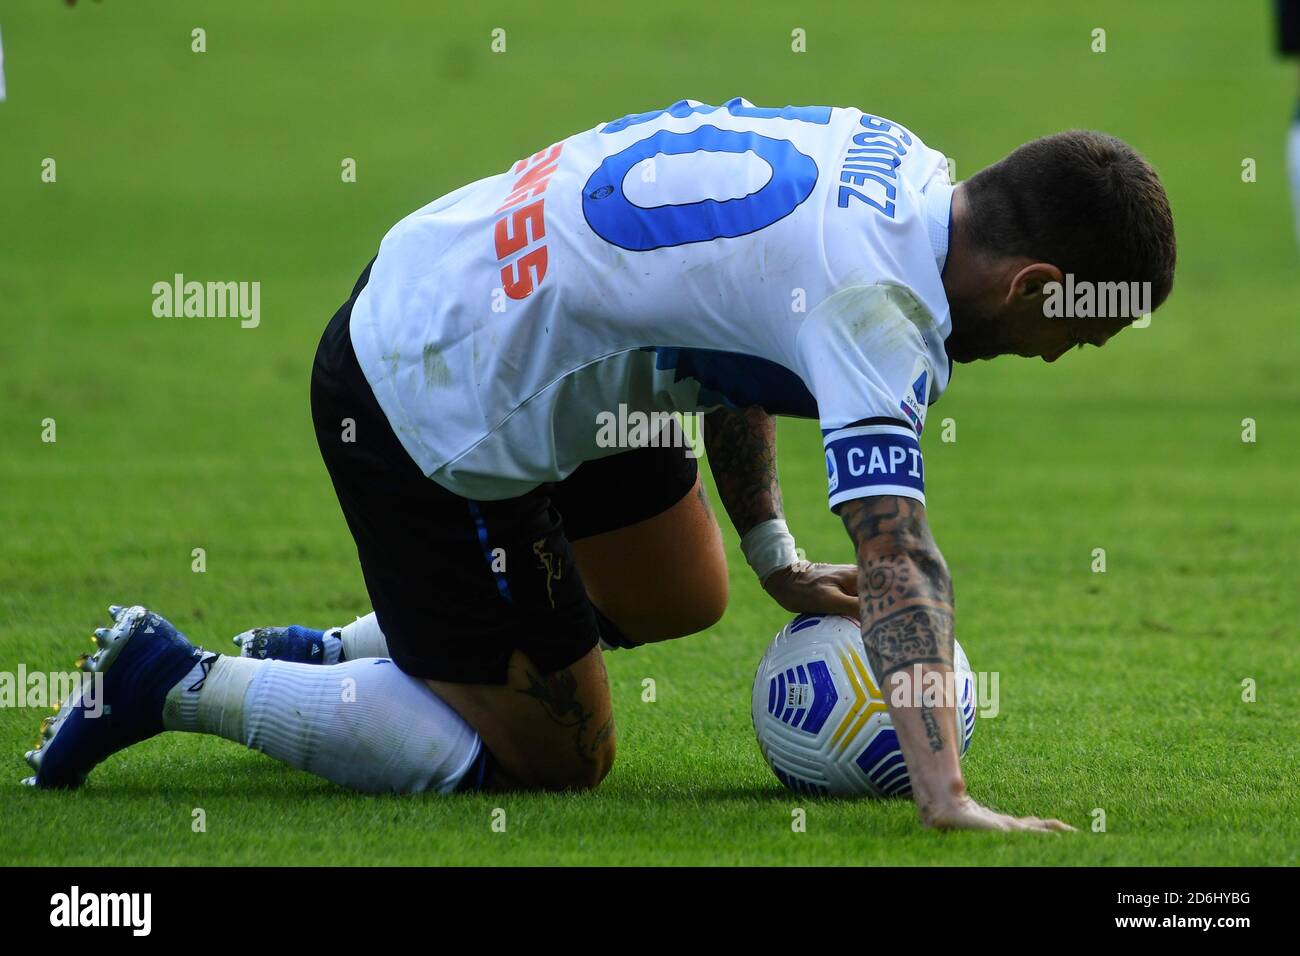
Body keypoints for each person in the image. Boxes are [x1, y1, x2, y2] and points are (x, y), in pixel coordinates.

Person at [24, 98, 1175, 832]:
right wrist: (947, 795)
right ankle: (169, 677)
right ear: (1032, 285)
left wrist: (772, 548)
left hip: (498, 300)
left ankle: (355, 646)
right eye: (1084, 331)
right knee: (562, 756)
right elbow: (900, 554)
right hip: (431, 396)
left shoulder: (900, 165)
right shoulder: (882, 309)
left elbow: (748, 344)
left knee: (684, 588)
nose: (1064, 356)